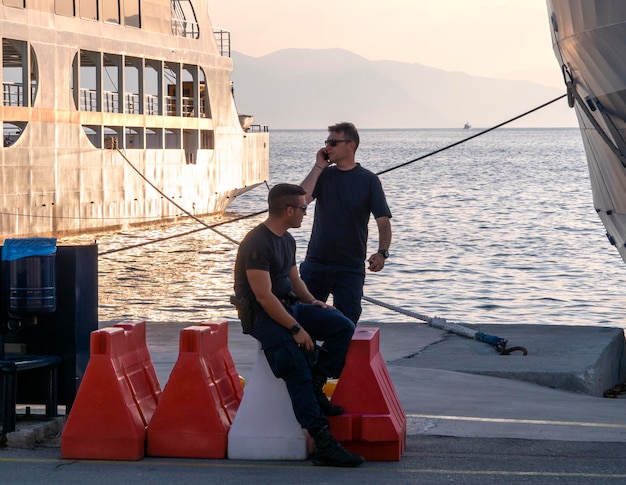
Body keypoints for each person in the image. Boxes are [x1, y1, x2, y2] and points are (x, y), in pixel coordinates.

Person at [233, 183, 365, 468]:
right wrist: (295, 328)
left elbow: (293, 279)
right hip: (262, 316)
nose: (306, 214)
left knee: (342, 326)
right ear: (289, 210)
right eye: (304, 208)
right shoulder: (257, 242)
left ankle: (319, 383)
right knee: (296, 367)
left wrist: (313, 302)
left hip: (288, 305)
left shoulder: (286, 239)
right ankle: (324, 441)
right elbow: (263, 296)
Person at [300, 122, 392, 324]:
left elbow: (383, 221)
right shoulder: (323, 176)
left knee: (346, 324)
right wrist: (318, 166)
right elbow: (300, 199)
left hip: (349, 267)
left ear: (350, 145)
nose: (327, 147)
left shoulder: (369, 181)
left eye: (333, 142)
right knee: (304, 320)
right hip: (316, 263)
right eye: (327, 142)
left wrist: (382, 252)